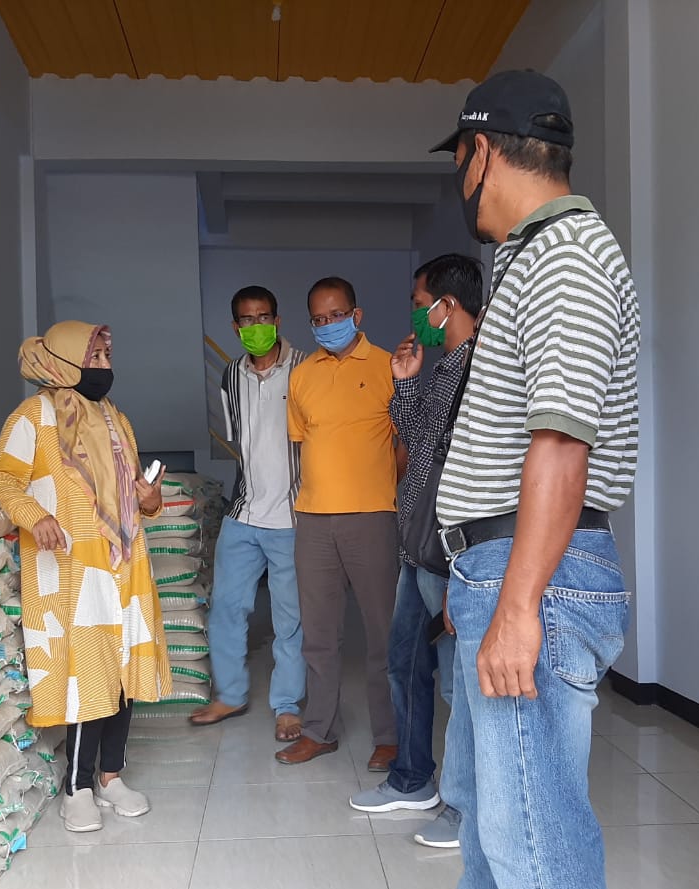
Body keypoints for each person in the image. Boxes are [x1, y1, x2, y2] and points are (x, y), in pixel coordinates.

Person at [429, 71, 641, 889]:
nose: (461, 180)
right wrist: (478, 580)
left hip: (536, 579)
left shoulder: (565, 258)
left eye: (460, 159)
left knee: (535, 841)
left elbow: (560, 443)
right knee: (491, 823)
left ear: (481, 151)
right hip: (506, 569)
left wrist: (516, 604)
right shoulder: (529, 257)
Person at [0, 320, 172, 833]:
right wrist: (34, 515)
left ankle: (112, 776)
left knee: (123, 669)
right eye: (96, 357)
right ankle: (78, 787)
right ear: (65, 361)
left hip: (124, 563)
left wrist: (150, 499)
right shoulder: (35, 416)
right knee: (87, 672)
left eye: (107, 356)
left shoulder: (116, 419)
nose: (106, 367)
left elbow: (135, 497)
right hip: (71, 565)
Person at [348, 254, 482, 851]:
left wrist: (465, 567)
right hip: (418, 548)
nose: (415, 314)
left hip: (452, 554)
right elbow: (419, 445)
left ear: (446, 306)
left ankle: (468, 809)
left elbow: (480, 475)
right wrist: (404, 381)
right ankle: (411, 780)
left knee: (461, 687)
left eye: (420, 302)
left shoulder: (483, 369)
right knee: (405, 663)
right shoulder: (445, 366)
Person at [274, 277, 399, 770]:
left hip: (372, 516)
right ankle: (318, 731)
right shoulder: (302, 376)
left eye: (336, 315)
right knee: (319, 635)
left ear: (356, 315)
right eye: (319, 319)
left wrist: (383, 490)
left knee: (383, 632)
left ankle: (389, 736)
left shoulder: (388, 366)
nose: (328, 325)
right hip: (313, 521)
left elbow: (405, 444)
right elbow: (303, 443)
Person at [189, 286, 308, 743]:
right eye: (246, 319)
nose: (256, 326)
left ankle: (287, 706)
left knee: (290, 617)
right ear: (235, 327)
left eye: (263, 317)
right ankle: (231, 695)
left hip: (292, 517)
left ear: (277, 320)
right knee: (225, 607)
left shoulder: (305, 369)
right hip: (243, 512)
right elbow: (241, 443)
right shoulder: (230, 375)